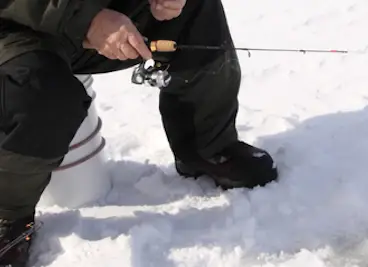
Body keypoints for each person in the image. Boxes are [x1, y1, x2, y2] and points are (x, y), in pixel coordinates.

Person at [0, 0, 279, 266]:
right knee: (41, 94)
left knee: (195, 9)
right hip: (12, 25)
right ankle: (8, 215)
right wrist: (85, 18)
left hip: (84, 16)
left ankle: (208, 145)